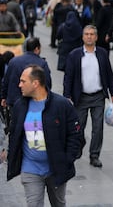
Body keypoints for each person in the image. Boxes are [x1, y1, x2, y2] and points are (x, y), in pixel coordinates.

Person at [7, 65, 81, 207]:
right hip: (30, 168)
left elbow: (75, 135)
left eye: (23, 81)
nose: (19, 85)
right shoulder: (19, 106)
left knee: (58, 204)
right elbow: (14, 133)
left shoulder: (61, 105)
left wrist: (67, 159)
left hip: (56, 168)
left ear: (35, 84)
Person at [63, 25, 113, 168]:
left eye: (92, 34)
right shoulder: (74, 55)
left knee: (98, 128)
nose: (89, 36)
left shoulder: (102, 53)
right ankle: (78, 147)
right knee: (78, 127)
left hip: (98, 96)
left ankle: (94, 155)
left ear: (96, 37)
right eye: (86, 34)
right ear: (82, 37)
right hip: (80, 97)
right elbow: (68, 77)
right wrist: (67, 96)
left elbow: (109, 74)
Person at [1, 37, 52, 109]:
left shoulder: (13, 61)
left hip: (14, 101)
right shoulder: (42, 63)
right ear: (37, 49)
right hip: (34, 102)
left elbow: (6, 81)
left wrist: (3, 97)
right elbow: (47, 83)